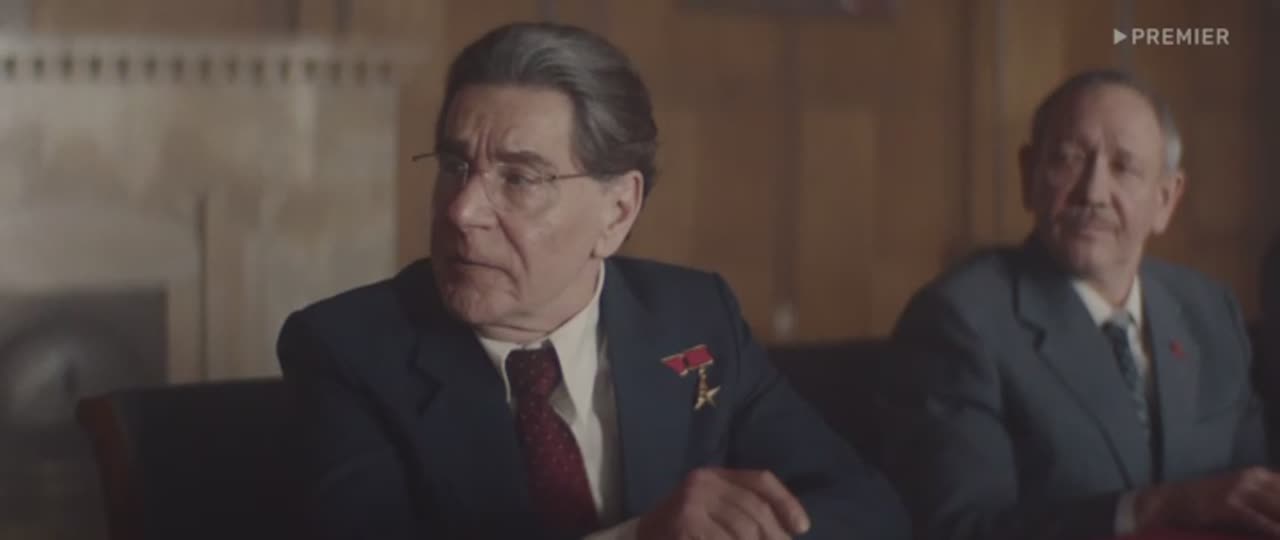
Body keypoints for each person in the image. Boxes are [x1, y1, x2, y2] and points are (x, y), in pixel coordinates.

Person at [277, 22, 908, 540]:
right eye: (454, 164)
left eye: (519, 178)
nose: (462, 211)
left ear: (617, 212)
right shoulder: (348, 350)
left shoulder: (694, 319)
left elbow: (868, 510)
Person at [881, 69, 1274, 540]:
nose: (1093, 192)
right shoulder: (959, 321)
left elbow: (1257, 498)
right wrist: (1148, 508)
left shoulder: (1210, 310)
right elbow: (962, 528)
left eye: (1124, 167)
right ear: (1028, 175)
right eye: (1068, 159)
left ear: (1166, 199)